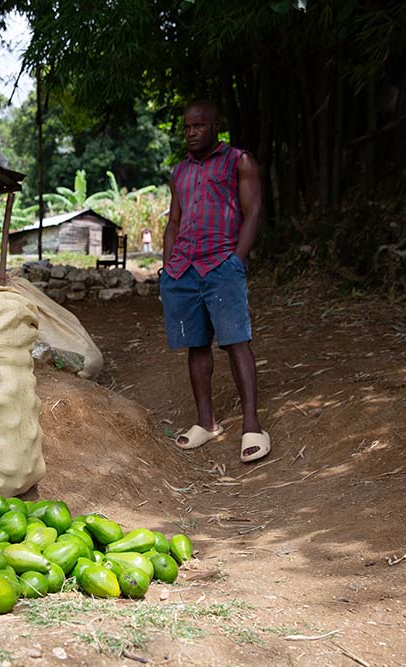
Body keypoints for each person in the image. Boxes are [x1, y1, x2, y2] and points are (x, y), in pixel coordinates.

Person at [159, 100, 270, 463]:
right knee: (196, 345)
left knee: (236, 342)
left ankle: (251, 425)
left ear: (215, 126)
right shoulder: (180, 172)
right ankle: (206, 423)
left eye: (197, 126)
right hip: (184, 270)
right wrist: (168, 267)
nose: (190, 133)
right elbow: (174, 223)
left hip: (221, 264)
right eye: (186, 127)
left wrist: (236, 261)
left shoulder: (238, 161)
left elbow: (253, 211)